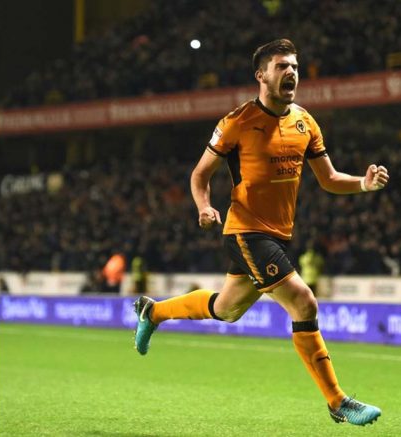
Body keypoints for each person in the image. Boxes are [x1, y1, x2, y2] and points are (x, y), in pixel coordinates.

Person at [133, 39, 387, 426]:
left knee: (227, 309)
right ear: (261, 75)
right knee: (304, 302)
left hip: (278, 235)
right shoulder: (237, 122)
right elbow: (200, 175)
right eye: (282, 66)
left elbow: (329, 178)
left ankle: (153, 312)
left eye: (295, 67)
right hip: (246, 230)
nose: (291, 73)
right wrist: (204, 207)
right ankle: (338, 401)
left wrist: (363, 184)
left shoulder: (305, 122)